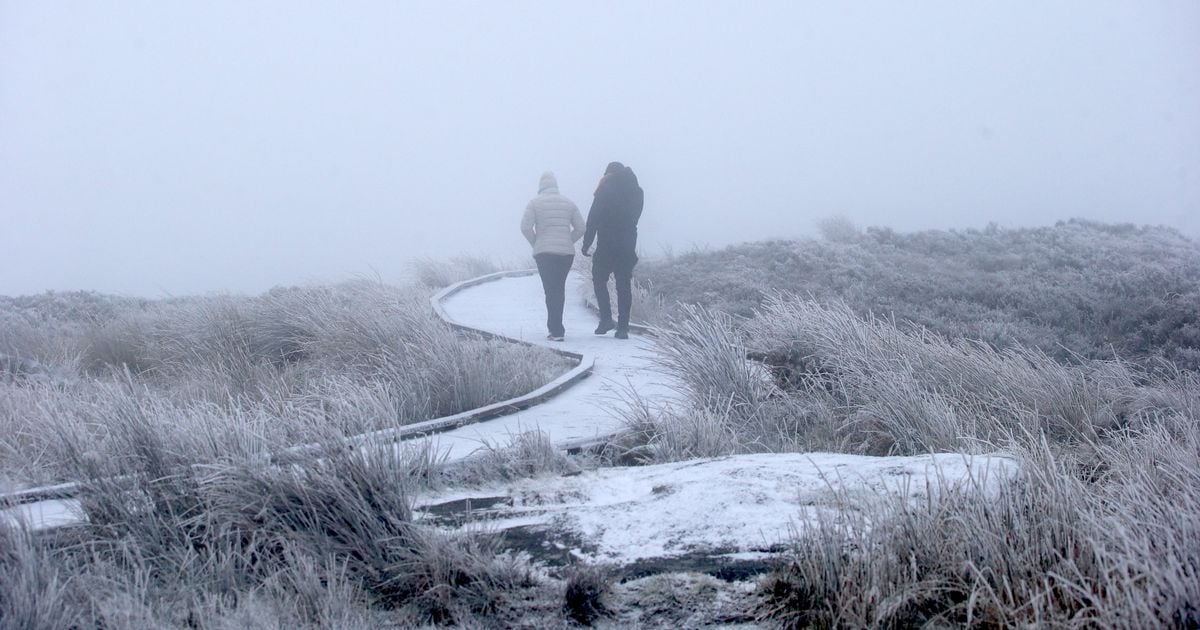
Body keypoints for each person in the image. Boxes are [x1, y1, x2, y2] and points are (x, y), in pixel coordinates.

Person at [581, 162, 643, 339]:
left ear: (609, 173)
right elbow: (635, 217)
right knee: (623, 285)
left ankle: (606, 319)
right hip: (628, 243)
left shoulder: (605, 188)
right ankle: (623, 328)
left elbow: (593, 217)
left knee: (599, 279)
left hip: (607, 242)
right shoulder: (637, 191)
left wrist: (587, 243)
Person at [521, 171, 585, 341]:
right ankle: (557, 328)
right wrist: (567, 240)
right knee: (559, 288)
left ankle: (556, 330)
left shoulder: (534, 203)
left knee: (551, 290)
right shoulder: (569, 203)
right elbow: (581, 228)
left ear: (540, 186)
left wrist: (537, 242)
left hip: (545, 253)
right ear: (555, 185)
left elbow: (525, 227)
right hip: (565, 254)